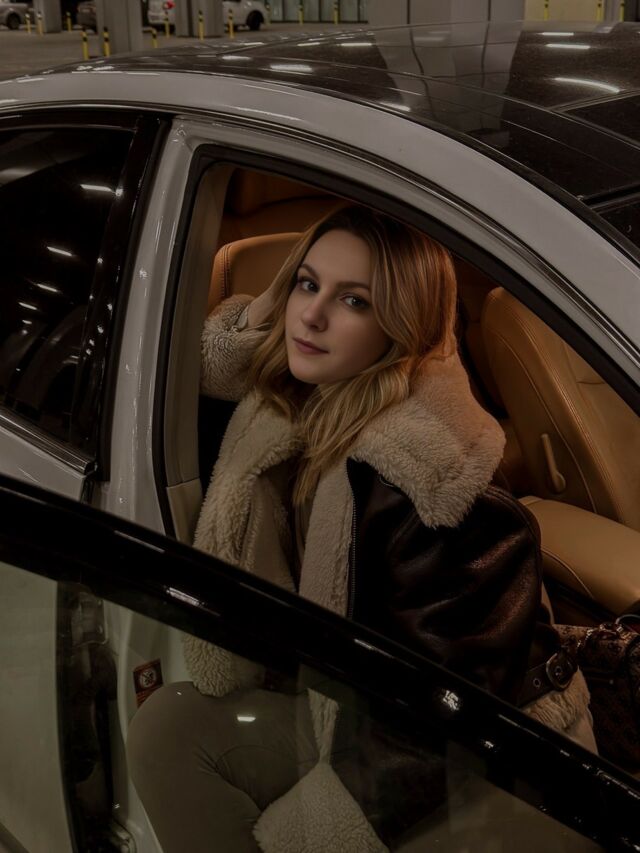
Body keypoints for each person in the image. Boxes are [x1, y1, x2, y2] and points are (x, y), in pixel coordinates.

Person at [127, 206, 595, 852]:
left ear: (402, 327)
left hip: (493, 763)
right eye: (306, 284)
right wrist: (278, 301)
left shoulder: (434, 480)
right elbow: (206, 364)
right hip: (353, 703)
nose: (311, 316)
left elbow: (440, 729)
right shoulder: (303, 396)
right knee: (170, 726)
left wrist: (304, 834)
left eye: (354, 300)